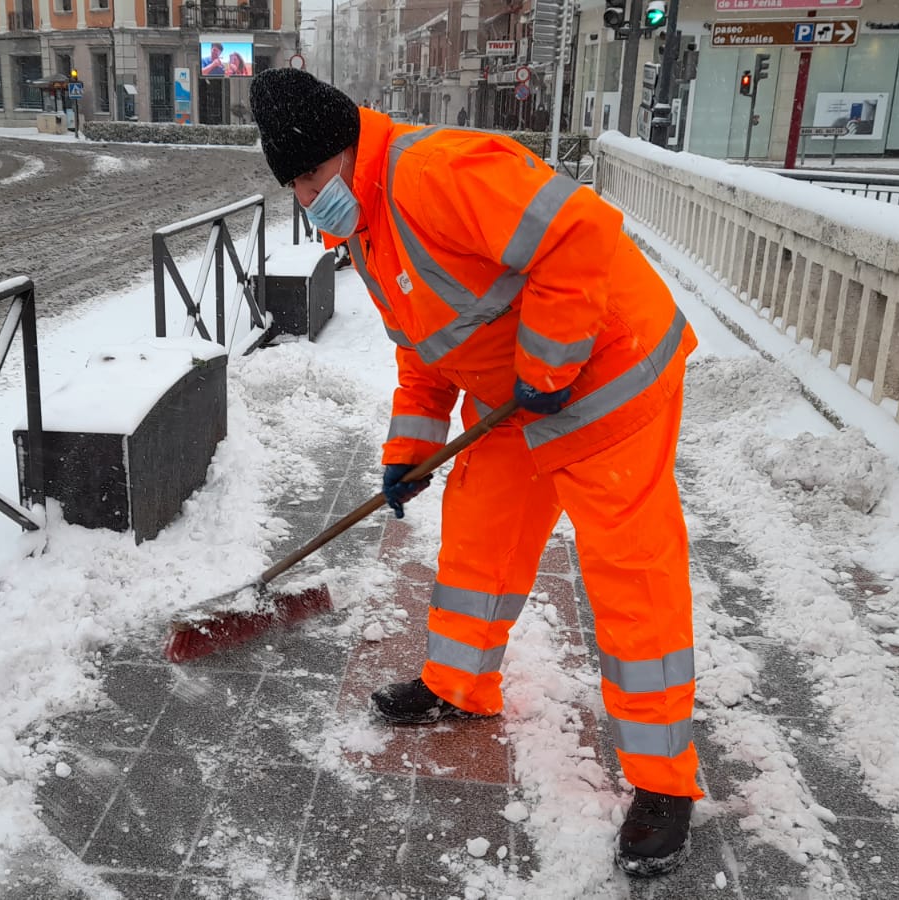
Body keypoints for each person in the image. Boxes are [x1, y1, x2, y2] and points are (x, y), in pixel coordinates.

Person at [250, 68, 701, 878]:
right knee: (478, 534)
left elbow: (580, 231)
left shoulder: (436, 171)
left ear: (347, 150)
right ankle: (459, 682)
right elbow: (427, 350)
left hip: (606, 379)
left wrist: (552, 360)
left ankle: (664, 782)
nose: (308, 197)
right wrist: (408, 453)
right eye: (294, 186)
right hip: (521, 397)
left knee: (631, 578)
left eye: (312, 176)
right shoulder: (369, 226)